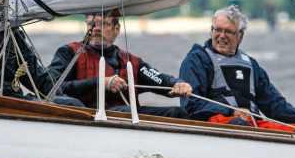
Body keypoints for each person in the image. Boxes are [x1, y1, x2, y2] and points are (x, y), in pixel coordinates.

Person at [179, 6, 295, 131]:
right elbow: (191, 104)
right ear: (212, 30)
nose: (222, 36)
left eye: (228, 32)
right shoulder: (197, 60)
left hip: (252, 124)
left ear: (240, 36)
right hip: (216, 123)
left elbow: (275, 105)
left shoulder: (250, 64)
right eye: (218, 30)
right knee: (240, 124)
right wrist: (231, 111)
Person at [47, 10, 192, 118]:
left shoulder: (132, 63)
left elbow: (159, 80)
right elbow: (49, 87)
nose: (96, 28)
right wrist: (101, 82)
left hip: (127, 117)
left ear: (117, 29)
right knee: (126, 112)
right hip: (85, 117)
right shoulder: (69, 53)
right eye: (92, 24)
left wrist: (177, 84)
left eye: (103, 24)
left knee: (177, 113)